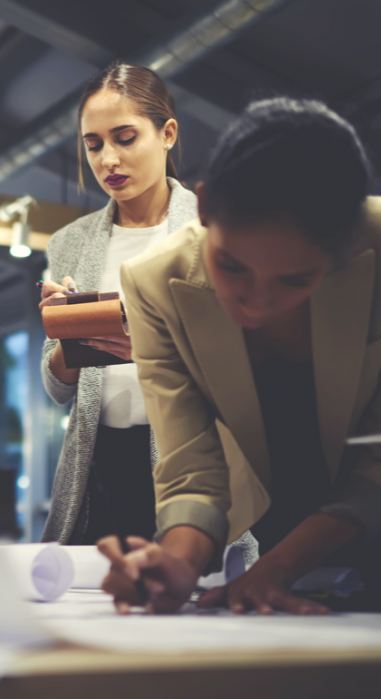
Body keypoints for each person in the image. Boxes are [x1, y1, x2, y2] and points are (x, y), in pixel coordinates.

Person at [101, 97, 381, 615]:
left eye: (294, 280)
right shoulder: (154, 283)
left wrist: (277, 569)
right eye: (232, 266)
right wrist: (179, 562)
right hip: (284, 529)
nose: (255, 301)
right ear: (203, 208)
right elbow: (190, 461)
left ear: (344, 250)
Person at [37, 63, 199, 546]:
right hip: (97, 459)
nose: (108, 159)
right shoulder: (70, 243)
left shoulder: (211, 232)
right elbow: (57, 386)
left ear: (167, 133)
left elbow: (243, 369)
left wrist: (145, 348)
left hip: (189, 457)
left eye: (125, 138)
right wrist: (69, 333)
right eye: (93, 145)